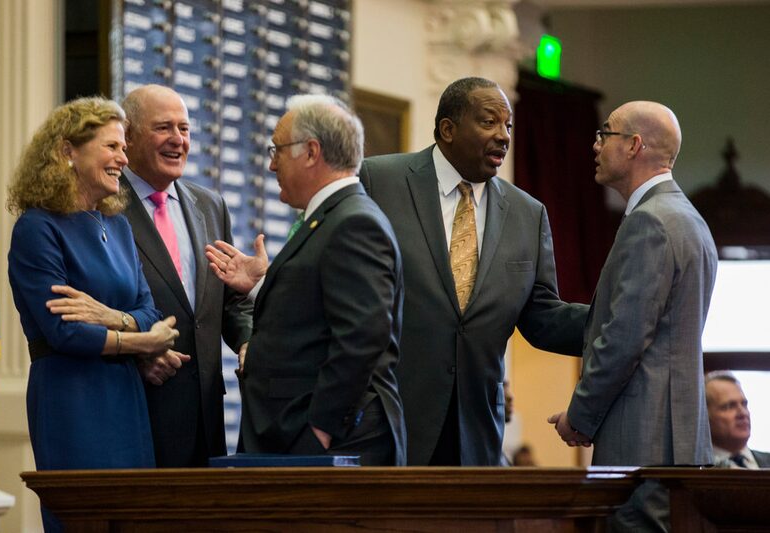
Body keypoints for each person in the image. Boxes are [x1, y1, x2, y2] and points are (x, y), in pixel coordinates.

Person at [358, 77, 588, 466]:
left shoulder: (527, 214)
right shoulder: (378, 182)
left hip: (475, 432)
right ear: (448, 129)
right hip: (387, 422)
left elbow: (542, 317)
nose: (503, 136)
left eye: (508, 126)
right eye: (488, 123)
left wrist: (616, 323)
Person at [7, 97, 185, 531]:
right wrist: (141, 341)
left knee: (133, 519)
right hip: (73, 398)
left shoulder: (119, 226)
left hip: (126, 396)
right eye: (111, 147)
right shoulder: (37, 227)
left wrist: (110, 316)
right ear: (68, 151)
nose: (123, 159)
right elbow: (64, 332)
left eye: (123, 148)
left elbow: (149, 310)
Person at [206, 94, 406, 466]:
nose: (270, 165)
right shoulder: (332, 218)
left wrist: (321, 428)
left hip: (329, 440)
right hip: (300, 434)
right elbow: (319, 311)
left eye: (277, 150)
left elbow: (364, 334)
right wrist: (262, 287)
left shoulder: (353, 223)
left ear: (312, 152)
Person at [548, 101, 718, 532]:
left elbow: (624, 339)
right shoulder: (689, 219)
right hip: (679, 441)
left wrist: (579, 416)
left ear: (633, 145)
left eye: (604, 134)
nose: (595, 145)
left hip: (643, 441)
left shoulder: (650, 223)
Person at [119, 84, 253, 467]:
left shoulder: (211, 206)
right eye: (163, 128)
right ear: (127, 137)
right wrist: (135, 354)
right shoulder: (104, 207)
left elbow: (231, 302)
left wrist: (247, 341)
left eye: (185, 129)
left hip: (205, 418)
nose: (178, 140)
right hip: (139, 408)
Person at [705, 371, 770, 468]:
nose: (743, 413)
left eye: (744, 404)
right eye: (729, 406)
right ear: (705, 417)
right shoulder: (696, 471)